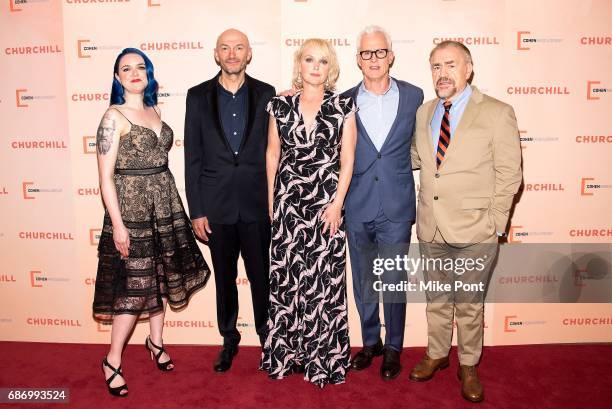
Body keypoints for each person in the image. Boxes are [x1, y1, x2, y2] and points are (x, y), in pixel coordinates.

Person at [93, 48, 210, 397]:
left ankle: (156, 342)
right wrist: (119, 224)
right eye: (125, 69)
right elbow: (105, 178)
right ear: (117, 78)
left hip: (165, 204)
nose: (133, 72)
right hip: (132, 211)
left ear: (148, 73)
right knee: (136, 287)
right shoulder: (112, 117)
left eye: (139, 67)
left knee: (160, 276)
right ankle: (112, 359)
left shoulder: (154, 109)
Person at [409, 41, 522, 402]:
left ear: (468, 68)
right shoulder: (424, 112)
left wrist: (495, 223)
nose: (442, 73)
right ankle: (438, 353)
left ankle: (468, 363)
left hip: (476, 228)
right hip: (431, 225)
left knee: (470, 304)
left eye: (450, 64)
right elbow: (416, 158)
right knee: (437, 299)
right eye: (435, 66)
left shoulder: (496, 112)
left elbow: (510, 174)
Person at [260, 38, 357, 387]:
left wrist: (337, 204)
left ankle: (323, 358)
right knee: (287, 280)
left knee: (324, 283)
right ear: (299, 64)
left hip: (325, 207)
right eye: (309, 60)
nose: (315, 67)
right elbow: (273, 154)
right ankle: (287, 354)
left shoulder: (343, 106)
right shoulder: (279, 105)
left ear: (330, 68)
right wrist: (272, 199)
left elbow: (347, 161)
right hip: (287, 202)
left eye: (322, 61)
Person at [184, 29, 275, 372]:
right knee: (224, 279)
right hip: (216, 208)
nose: (232, 53)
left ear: (249, 54)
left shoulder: (266, 93)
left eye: (239, 48)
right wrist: (197, 210)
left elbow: (275, 149)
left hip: (256, 206)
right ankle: (229, 338)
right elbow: (192, 158)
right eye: (226, 48)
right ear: (216, 54)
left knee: (261, 276)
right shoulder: (196, 96)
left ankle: (270, 338)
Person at [341, 26, 423, 380]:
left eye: (379, 52)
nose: (373, 59)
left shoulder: (415, 96)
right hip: (357, 203)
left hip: (396, 205)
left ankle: (394, 349)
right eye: (365, 53)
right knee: (363, 281)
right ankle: (371, 342)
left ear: (391, 55)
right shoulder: (342, 99)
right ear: (357, 59)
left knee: (393, 281)